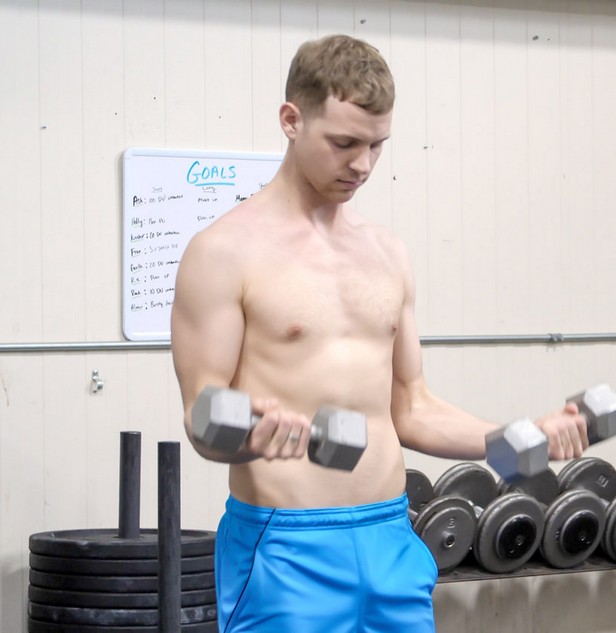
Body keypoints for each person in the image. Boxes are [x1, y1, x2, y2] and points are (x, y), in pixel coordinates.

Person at [170, 34, 589, 633]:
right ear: (291, 120)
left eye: (376, 145)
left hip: (391, 536)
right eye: (344, 143)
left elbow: (412, 409)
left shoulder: (386, 252)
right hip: (287, 549)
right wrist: (251, 436)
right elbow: (201, 415)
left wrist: (522, 439)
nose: (362, 165)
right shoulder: (223, 252)